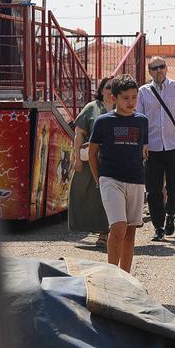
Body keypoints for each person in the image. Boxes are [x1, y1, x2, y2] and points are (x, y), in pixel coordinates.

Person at [88, 74, 148, 273]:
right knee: (119, 227)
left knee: (130, 232)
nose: (131, 102)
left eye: (134, 97)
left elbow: (143, 150)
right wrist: (99, 180)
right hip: (110, 179)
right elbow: (92, 153)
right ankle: (111, 275)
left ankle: (125, 277)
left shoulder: (142, 121)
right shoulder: (103, 121)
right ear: (114, 98)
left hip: (136, 180)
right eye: (126, 98)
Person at [137, 55, 175, 240]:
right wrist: (143, 142)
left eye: (161, 66)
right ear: (149, 71)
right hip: (152, 147)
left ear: (166, 68)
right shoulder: (143, 92)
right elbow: (139, 119)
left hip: (174, 144)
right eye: (154, 68)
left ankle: (170, 214)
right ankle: (158, 227)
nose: (159, 71)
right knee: (153, 189)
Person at [69, 77, 114, 247]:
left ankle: (105, 234)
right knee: (86, 195)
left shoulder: (122, 108)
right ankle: (98, 229)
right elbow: (79, 134)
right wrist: (77, 159)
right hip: (90, 160)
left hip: (113, 162)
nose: (111, 91)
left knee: (109, 198)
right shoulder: (92, 107)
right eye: (108, 87)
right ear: (101, 90)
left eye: (114, 87)